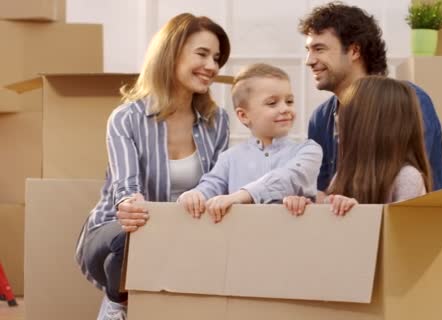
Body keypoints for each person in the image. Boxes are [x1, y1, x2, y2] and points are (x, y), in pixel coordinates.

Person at [74, 13, 231, 320]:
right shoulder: (126, 118)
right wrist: (131, 203)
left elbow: (219, 182)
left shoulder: (218, 121)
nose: (212, 66)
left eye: (216, 58)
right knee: (132, 235)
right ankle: (116, 305)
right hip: (117, 233)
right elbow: (126, 186)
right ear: (171, 52)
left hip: (181, 235)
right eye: (202, 54)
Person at [299, 2, 442, 202]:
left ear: (354, 51)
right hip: (348, 226)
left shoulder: (407, 100)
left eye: (319, 49)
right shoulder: (321, 118)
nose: (309, 60)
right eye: (308, 50)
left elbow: (404, 183)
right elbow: (323, 191)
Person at [178, 63, 322, 221]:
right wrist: (194, 195)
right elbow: (212, 185)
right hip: (240, 240)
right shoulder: (229, 158)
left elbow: (288, 178)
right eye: (272, 103)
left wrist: (240, 196)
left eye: (289, 101)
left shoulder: (308, 150)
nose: (285, 108)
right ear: (244, 116)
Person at [284, 76, 431, 216]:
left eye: (346, 117)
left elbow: (401, 236)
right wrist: (305, 206)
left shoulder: (408, 178)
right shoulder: (344, 174)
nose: (338, 125)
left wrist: (357, 214)